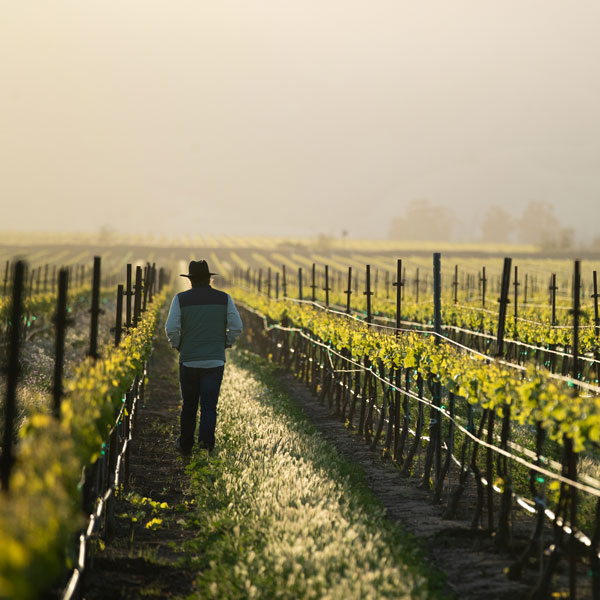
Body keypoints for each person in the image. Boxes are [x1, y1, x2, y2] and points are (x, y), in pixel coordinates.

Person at [165, 260, 243, 455]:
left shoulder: (180, 299)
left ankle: (185, 444)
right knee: (209, 406)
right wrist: (225, 342)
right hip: (214, 361)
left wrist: (177, 345)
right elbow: (237, 326)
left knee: (189, 404)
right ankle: (206, 446)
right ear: (209, 279)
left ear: (191, 281)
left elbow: (171, 328)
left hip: (189, 359)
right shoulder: (224, 298)